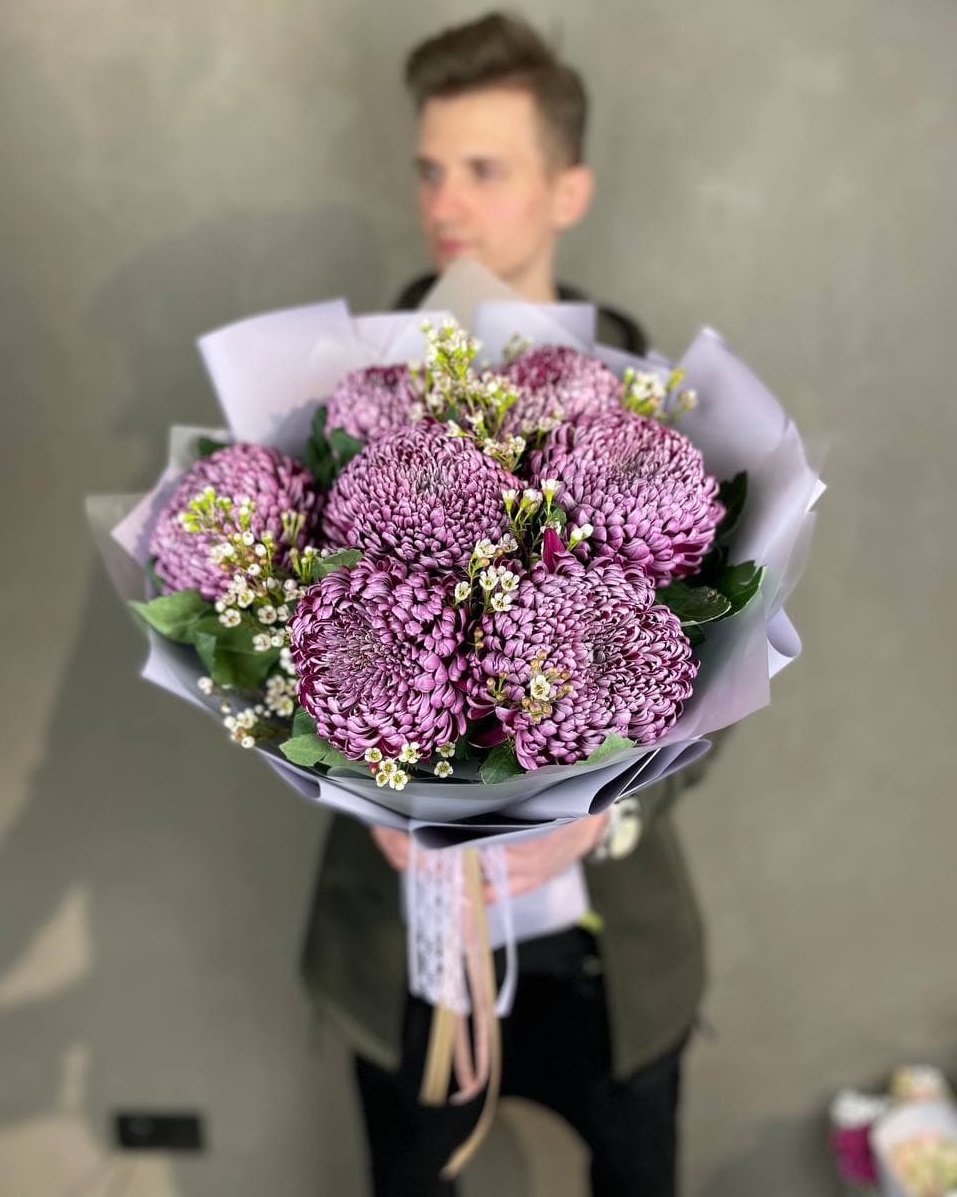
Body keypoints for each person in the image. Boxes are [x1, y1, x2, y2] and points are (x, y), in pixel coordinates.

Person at [301, 14, 712, 1196]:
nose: (447, 204)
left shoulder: (656, 406)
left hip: (606, 940)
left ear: (567, 190)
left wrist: (605, 816)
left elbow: (723, 674)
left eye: (485, 170)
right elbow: (283, 641)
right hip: (403, 930)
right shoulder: (338, 397)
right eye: (430, 169)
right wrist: (360, 783)